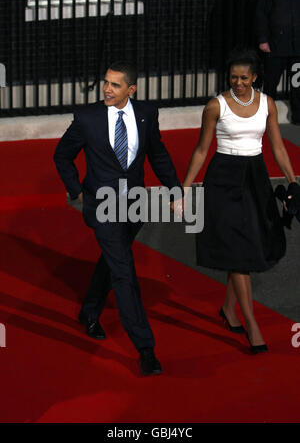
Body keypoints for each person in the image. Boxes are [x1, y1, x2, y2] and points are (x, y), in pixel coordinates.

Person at [54, 61, 182, 375]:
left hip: (133, 203)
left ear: (131, 89)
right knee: (124, 271)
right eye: (106, 83)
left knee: (114, 260)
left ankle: (90, 311)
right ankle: (145, 348)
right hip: (102, 204)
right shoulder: (88, 118)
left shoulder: (147, 113)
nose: (107, 89)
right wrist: (77, 191)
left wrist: (175, 190)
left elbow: (158, 153)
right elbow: (62, 155)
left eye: (115, 85)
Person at [173, 49, 299, 354]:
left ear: (255, 77)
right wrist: (184, 189)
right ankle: (251, 324)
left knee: (246, 248)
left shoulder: (267, 103)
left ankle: (229, 310)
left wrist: (293, 181)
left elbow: (278, 148)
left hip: (255, 179)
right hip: (223, 181)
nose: (238, 83)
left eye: (244, 78)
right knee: (240, 251)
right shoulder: (216, 106)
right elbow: (202, 150)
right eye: (233, 78)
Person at [255, 0, 300, 124]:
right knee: (270, 84)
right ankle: (264, 118)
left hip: (297, 46)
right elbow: (261, 13)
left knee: (298, 84)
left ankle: (298, 117)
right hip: (275, 44)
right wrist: (263, 39)